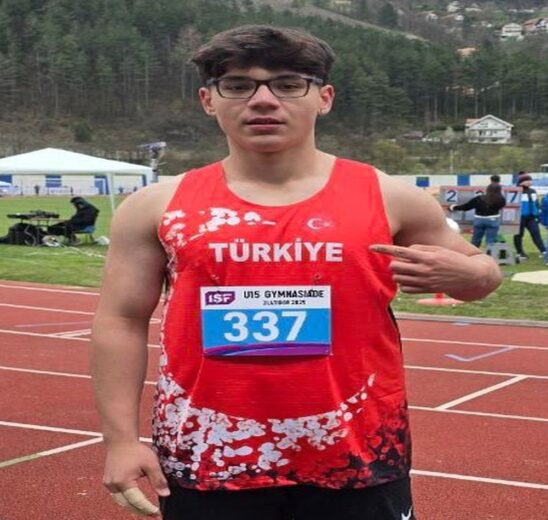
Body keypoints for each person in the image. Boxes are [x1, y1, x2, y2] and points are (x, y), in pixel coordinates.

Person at [90, 25, 502, 520]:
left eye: (288, 85)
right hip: (208, 456)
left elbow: (481, 271)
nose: (263, 100)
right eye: (238, 85)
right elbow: (121, 320)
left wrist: (474, 276)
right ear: (208, 100)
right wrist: (119, 440)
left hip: (358, 455)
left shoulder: (390, 196)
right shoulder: (158, 205)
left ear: (324, 98)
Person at [449, 183, 506, 248]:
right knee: (490, 241)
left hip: (479, 220)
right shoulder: (501, 200)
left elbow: (466, 207)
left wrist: (454, 207)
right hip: (493, 220)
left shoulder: (478, 198)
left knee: (475, 240)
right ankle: (489, 253)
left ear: (488, 189)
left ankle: (474, 253)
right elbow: (501, 207)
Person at [512, 173, 545, 260]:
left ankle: (543, 251)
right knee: (519, 235)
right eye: (527, 180)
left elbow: (536, 203)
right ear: (521, 182)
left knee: (536, 233)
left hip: (531, 217)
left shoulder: (533, 191)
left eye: (530, 180)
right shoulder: (515, 191)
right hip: (519, 217)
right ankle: (520, 252)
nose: (530, 182)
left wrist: (537, 214)